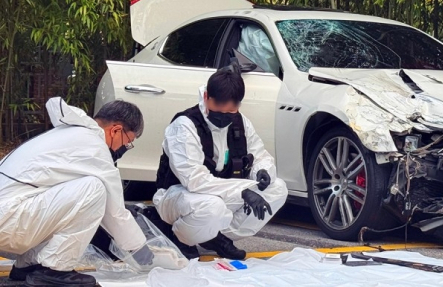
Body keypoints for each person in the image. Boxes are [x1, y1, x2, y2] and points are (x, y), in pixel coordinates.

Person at [0, 98, 155, 287]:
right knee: (95, 189)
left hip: (10, 218)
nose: (123, 149)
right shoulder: (95, 147)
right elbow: (114, 212)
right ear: (116, 130)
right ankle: (55, 271)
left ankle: (28, 266)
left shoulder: (69, 135)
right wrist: (140, 250)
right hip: (10, 222)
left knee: (70, 201)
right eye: (127, 143)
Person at [154, 65, 288, 260]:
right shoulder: (184, 126)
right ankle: (180, 237)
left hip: (219, 193)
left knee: (278, 188)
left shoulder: (241, 122)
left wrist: (263, 171)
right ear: (207, 96)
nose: (224, 116)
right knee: (212, 207)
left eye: (231, 111)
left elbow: (260, 155)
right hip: (178, 196)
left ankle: (215, 238)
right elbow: (194, 181)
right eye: (219, 109)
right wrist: (243, 190)